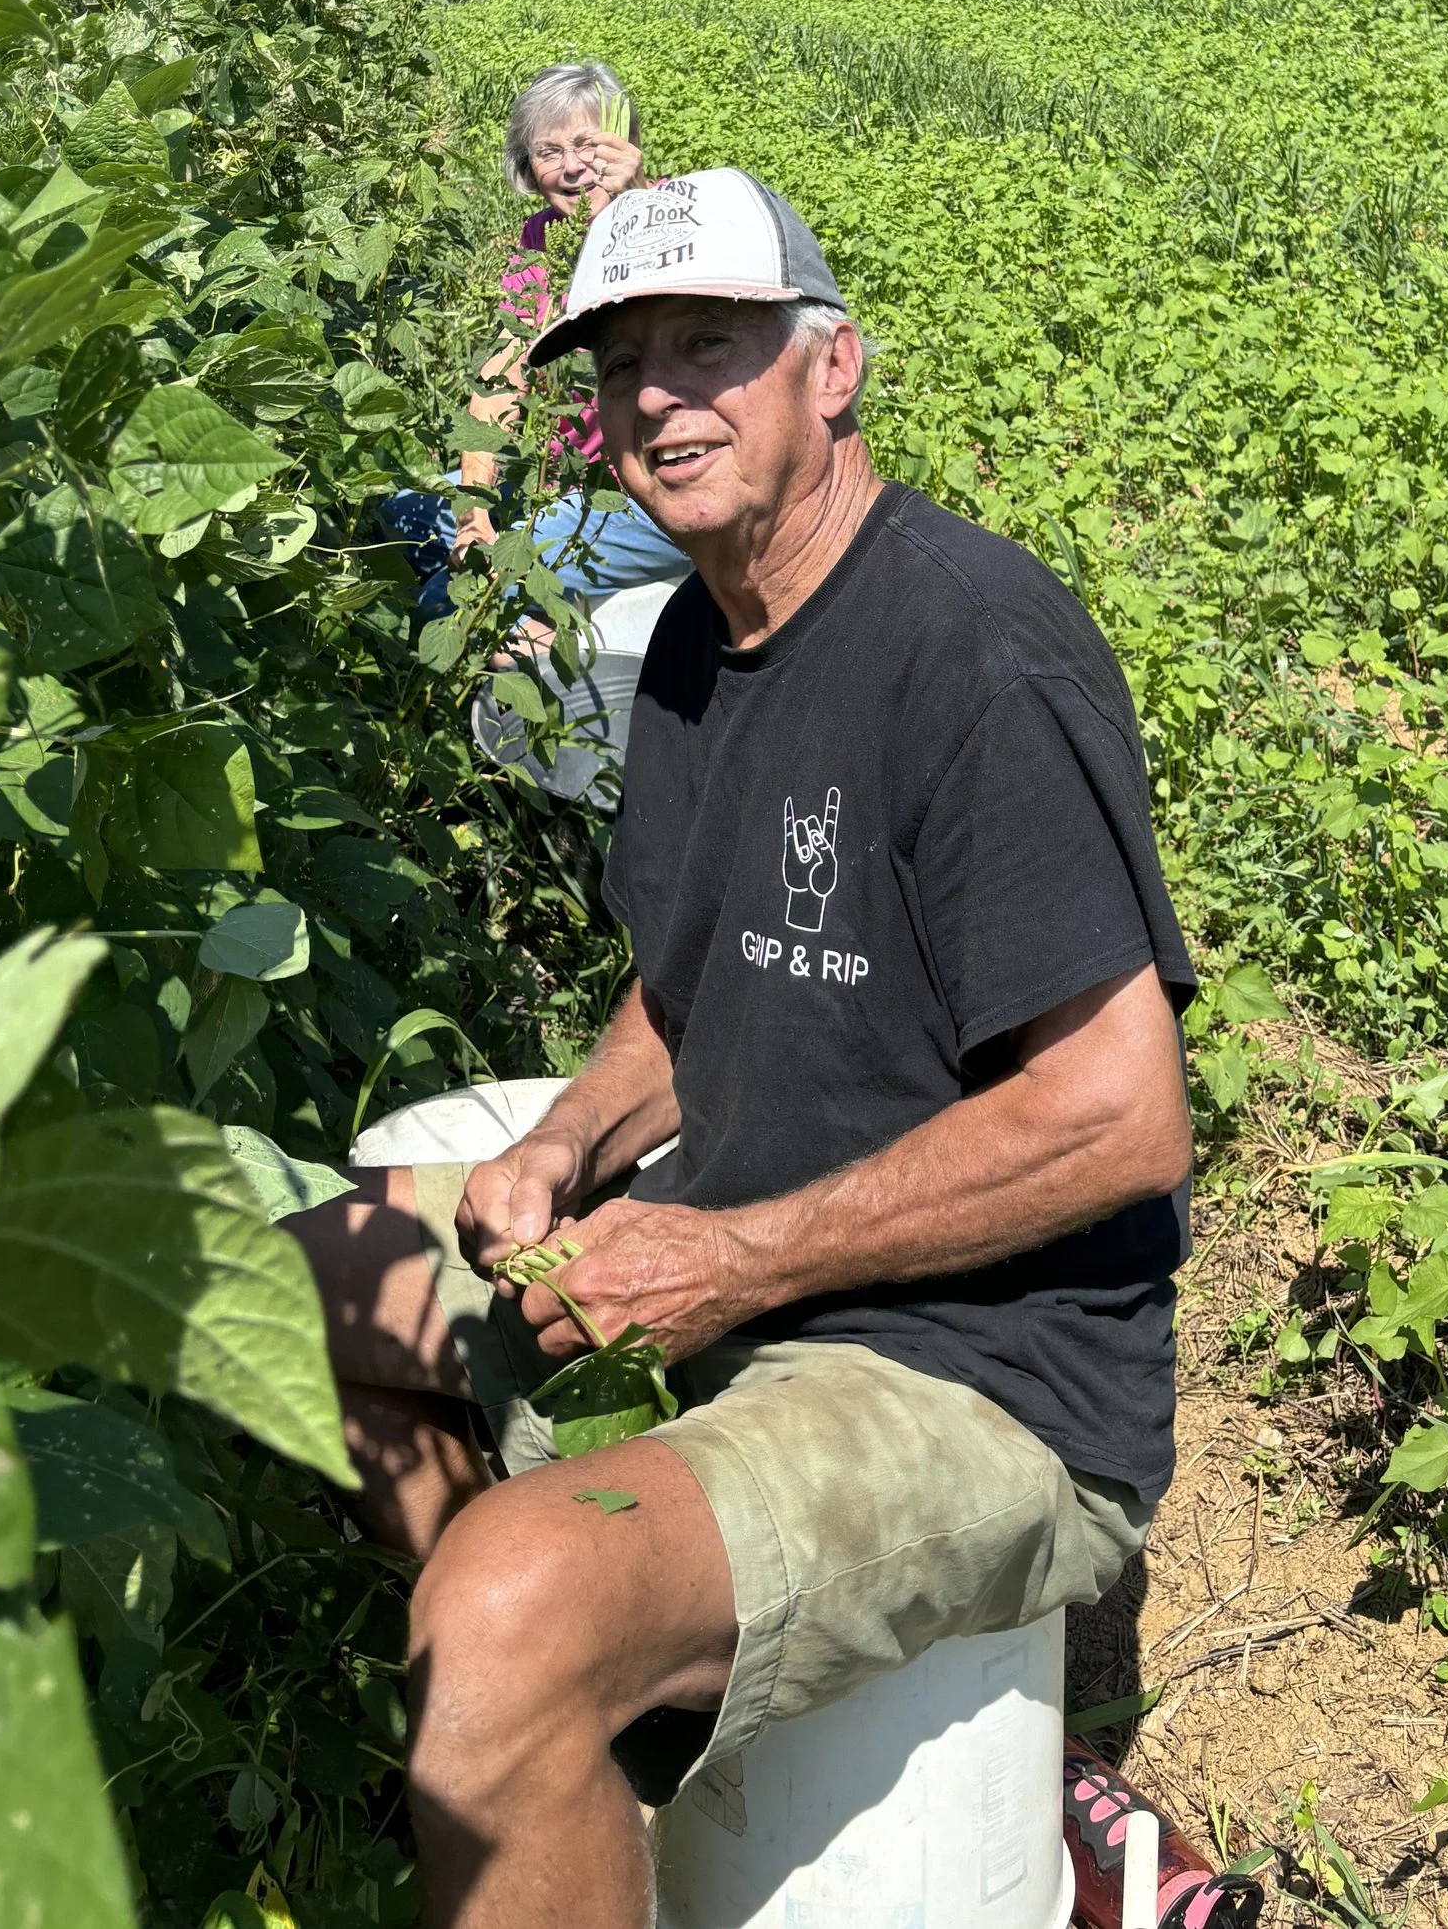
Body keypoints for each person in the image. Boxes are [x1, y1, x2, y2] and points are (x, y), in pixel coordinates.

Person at [301, 168, 1196, 1929]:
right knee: (319, 1297)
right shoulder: (705, 641)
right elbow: (691, 986)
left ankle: (546, 1677)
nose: (657, 398)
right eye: (623, 361)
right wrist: (570, 1138)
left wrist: (726, 1257)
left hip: (982, 1369)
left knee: (503, 1608)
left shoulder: (976, 656)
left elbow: (1120, 1118)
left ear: (831, 368)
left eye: (709, 345)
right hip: (752, 1250)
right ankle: (585, 1759)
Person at [381, 62, 688, 625]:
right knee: (401, 511)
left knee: (442, 604)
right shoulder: (539, 239)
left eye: (588, 145)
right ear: (530, 170)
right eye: (549, 153)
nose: (572, 167)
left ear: (626, 143)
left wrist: (639, 200)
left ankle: (540, 665)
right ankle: (519, 624)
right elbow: (502, 375)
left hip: (651, 489)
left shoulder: (677, 219)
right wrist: (475, 510)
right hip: (558, 478)